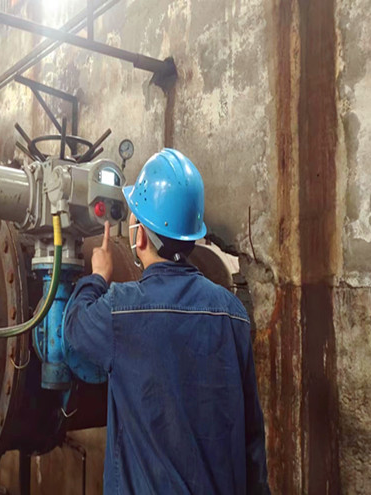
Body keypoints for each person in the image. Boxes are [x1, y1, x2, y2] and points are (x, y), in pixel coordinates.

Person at [64, 149, 270, 494]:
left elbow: (73, 328)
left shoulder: (121, 310)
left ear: (140, 236)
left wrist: (98, 275)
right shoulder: (233, 313)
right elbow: (251, 435)